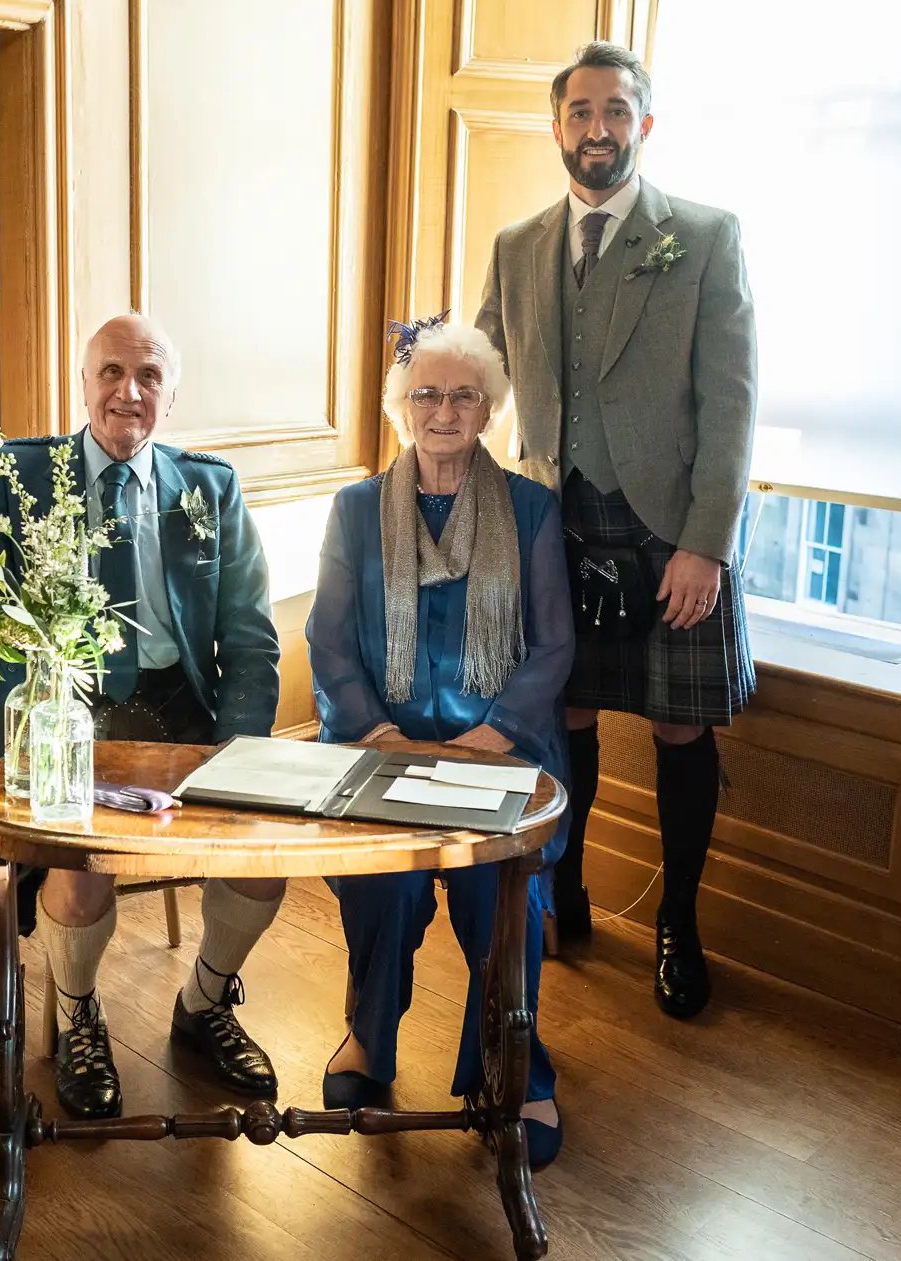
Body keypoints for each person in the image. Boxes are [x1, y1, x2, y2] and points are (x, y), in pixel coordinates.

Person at [475, 40, 758, 1020]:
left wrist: (705, 545)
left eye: (615, 111)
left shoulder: (705, 237)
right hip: (555, 521)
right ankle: (567, 889)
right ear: (555, 127)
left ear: (643, 123)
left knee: (680, 724)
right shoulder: (516, 247)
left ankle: (677, 921)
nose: (596, 128)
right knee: (567, 719)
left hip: (666, 530)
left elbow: (730, 403)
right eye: (579, 111)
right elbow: (482, 373)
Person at [0, 314, 284, 1121]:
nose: (126, 391)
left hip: (182, 712)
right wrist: (41, 725)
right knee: (76, 861)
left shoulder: (212, 487)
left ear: (169, 399)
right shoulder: (20, 475)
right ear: (82, 381)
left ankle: (204, 1001)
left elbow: (250, 640)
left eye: (147, 376)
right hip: (64, 709)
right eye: (109, 371)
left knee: (266, 859)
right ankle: (78, 1015)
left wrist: (238, 757)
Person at [306, 318, 574, 1170]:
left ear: (488, 409)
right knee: (382, 891)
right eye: (427, 393)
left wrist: (493, 736)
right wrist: (379, 733)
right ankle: (367, 1038)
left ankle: (515, 1065)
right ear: (402, 407)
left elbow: (553, 646)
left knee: (499, 895)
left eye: (463, 394)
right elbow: (330, 641)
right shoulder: (354, 510)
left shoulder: (531, 510)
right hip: (382, 751)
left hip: (500, 753)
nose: (444, 410)